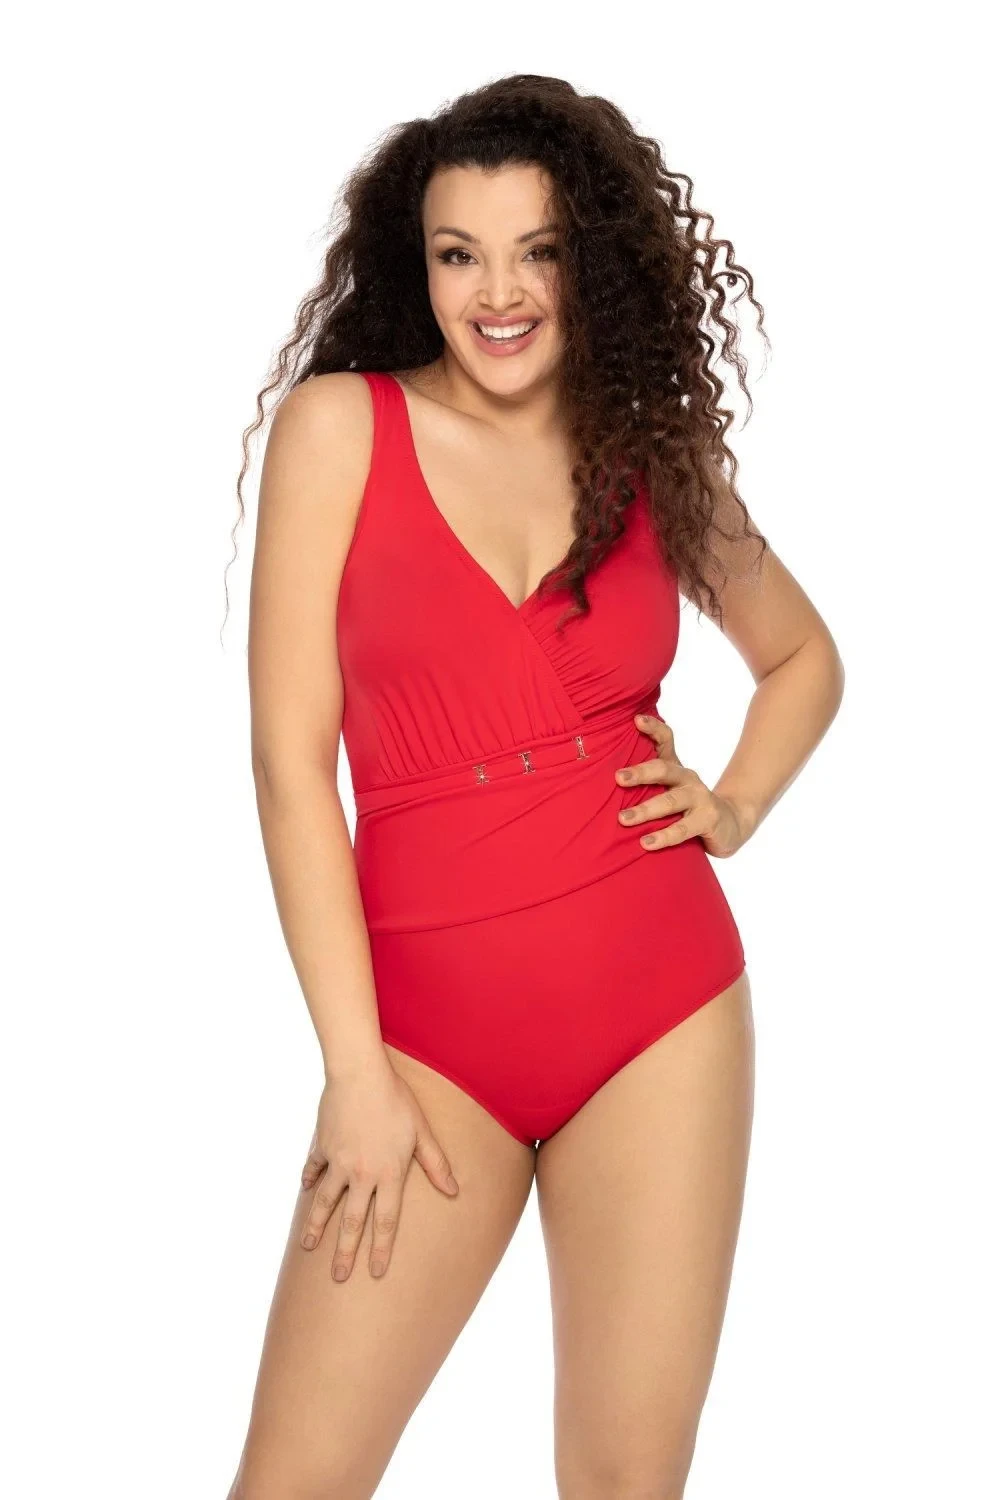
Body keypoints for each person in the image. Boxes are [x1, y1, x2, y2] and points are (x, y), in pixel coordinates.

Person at [225, 74, 845, 1500]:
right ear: (420, 265)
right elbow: (287, 767)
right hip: (423, 1050)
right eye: (461, 255)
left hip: (661, 1013)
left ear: (590, 264)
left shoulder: (647, 452)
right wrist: (355, 1073)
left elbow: (804, 656)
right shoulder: (340, 428)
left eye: (537, 252)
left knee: (626, 1486)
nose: (498, 294)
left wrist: (734, 805)